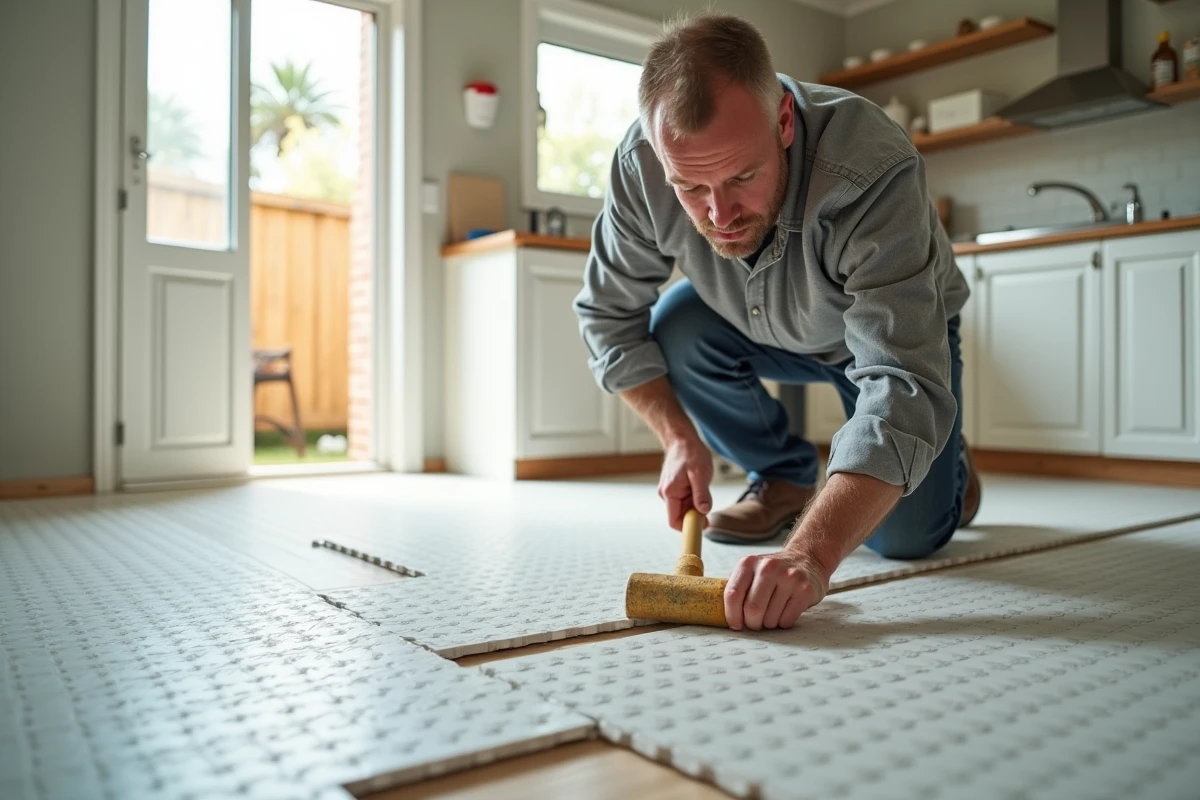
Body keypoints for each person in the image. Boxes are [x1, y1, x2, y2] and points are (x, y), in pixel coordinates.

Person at [574, 12, 981, 634]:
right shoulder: (641, 166)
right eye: (689, 187)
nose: (719, 214)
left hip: (883, 343)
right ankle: (786, 478)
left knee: (906, 538)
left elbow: (901, 381)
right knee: (676, 323)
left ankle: (948, 470)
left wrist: (808, 557)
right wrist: (680, 441)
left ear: (784, 120)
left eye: (742, 176)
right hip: (751, 320)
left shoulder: (870, 167)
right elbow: (607, 318)